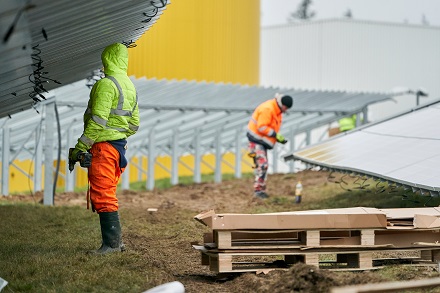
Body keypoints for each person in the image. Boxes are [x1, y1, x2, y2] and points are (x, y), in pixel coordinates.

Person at [68, 43, 140, 254]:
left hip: (104, 147)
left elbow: (98, 121)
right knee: (107, 190)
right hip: (118, 148)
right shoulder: (129, 86)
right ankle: (114, 243)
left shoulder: (106, 84)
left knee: (103, 192)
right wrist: (118, 134)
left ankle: (112, 245)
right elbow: (134, 124)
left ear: (107, 59)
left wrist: (82, 146)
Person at [246, 93, 293, 199]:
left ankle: (261, 190)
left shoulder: (277, 110)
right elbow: (262, 127)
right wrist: (275, 135)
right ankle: (258, 191)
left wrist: (276, 138)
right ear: (283, 104)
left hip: (261, 141)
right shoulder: (268, 109)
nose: (286, 110)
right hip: (256, 140)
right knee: (263, 165)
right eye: (286, 107)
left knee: (263, 166)